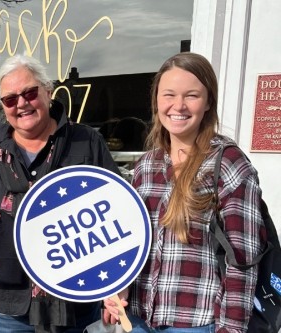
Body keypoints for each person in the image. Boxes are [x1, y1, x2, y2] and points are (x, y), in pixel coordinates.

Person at [0, 54, 121, 333]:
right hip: (10, 303)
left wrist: (114, 283)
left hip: (73, 299)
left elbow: (116, 208)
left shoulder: (85, 141)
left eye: (30, 92)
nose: (21, 103)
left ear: (48, 91)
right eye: (10, 99)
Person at [102, 52, 268, 332]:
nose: (178, 105)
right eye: (169, 95)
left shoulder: (228, 165)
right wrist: (118, 288)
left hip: (197, 324)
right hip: (139, 321)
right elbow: (130, 242)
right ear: (157, 100)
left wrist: (231, 329)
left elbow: (243, 262)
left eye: (191, 95)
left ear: (208, 103)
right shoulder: (146, 165)